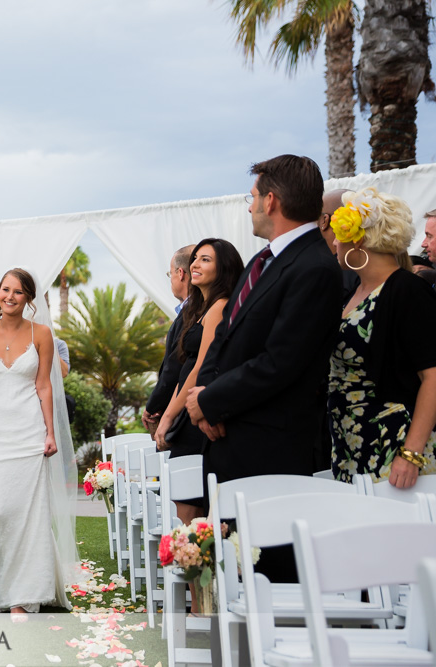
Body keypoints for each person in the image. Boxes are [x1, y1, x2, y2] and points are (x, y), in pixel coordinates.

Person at [186, 155, 342, 583]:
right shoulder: (260, 262)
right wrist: (205, 402)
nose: (249, 205)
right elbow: (224, 339)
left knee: (266, 578)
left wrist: (211, 401)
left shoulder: (315, 268)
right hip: (228, 438)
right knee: (230, 575)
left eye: (252, 197)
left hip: (271, 448)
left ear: (271, 200)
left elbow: (282, 362)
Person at [0, 268, 79, 614]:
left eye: (18, 292)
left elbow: (44, 385)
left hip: (29, 431)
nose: (10, 296)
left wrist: (51, 432)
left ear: (29, 298)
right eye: (5, 289)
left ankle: (23, 594)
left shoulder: (42, 335)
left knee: (28, 512)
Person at [326, 187, 436, 486]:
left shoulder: (406, 290)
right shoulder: (354, 293)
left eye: (339, 233)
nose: (335, 242)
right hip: (351, 443)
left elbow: (433, 376)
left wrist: (411, 453)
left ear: (358, 239)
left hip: (392, 446)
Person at [155, 239, 243, 509]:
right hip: (188, 410)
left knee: (190, 506)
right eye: (195, 258)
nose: (195, 264)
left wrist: (168, 416)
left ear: (224, 268)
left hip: (196, 415)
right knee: (185, 501)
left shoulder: (220, 307)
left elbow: (199, 367)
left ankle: (190, 552)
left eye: (205, 259)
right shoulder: (203, 308)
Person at [143, 245, 195, 436]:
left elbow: (174, 366)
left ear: (180, 273)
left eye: (169, 273)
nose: (171, 279)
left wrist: (152, 406)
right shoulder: (190, 311)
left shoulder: (192, 313)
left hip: (184, 417)